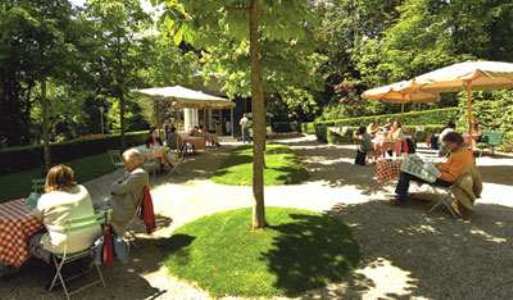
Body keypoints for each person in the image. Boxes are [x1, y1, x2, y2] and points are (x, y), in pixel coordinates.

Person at [29, 165, 101, 263]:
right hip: (92, 239)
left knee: (33, 239)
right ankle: (72, 264)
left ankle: (50, 266)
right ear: (71, 177)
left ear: (49, 180)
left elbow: (36, 217)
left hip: (65, 245)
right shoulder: (82, 189)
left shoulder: (46, 198)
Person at [393, 132, 474, 205]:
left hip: (446, 181)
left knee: (407, 172)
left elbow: (451, 177)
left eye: (448, 144)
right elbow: (449, 166)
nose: (446, 147)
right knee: (410, 170)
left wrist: (434, 171)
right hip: (444, 177)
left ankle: (401, 198)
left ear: (455, 143)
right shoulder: (463, 152)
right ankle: (402, 194)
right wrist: (437, 165)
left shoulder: (460, 156)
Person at [110, 149, 150, 236]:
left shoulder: (139, 174)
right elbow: (118, 184)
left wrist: (115, 186)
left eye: (126, 162)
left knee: (101, 214)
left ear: (134, 162)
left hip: (126, 209)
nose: (124, 165)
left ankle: (114, 239)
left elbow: (119, 188)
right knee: (98, 208)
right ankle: (114, 237)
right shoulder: (131, 172)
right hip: (122, 203)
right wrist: (116, 185)